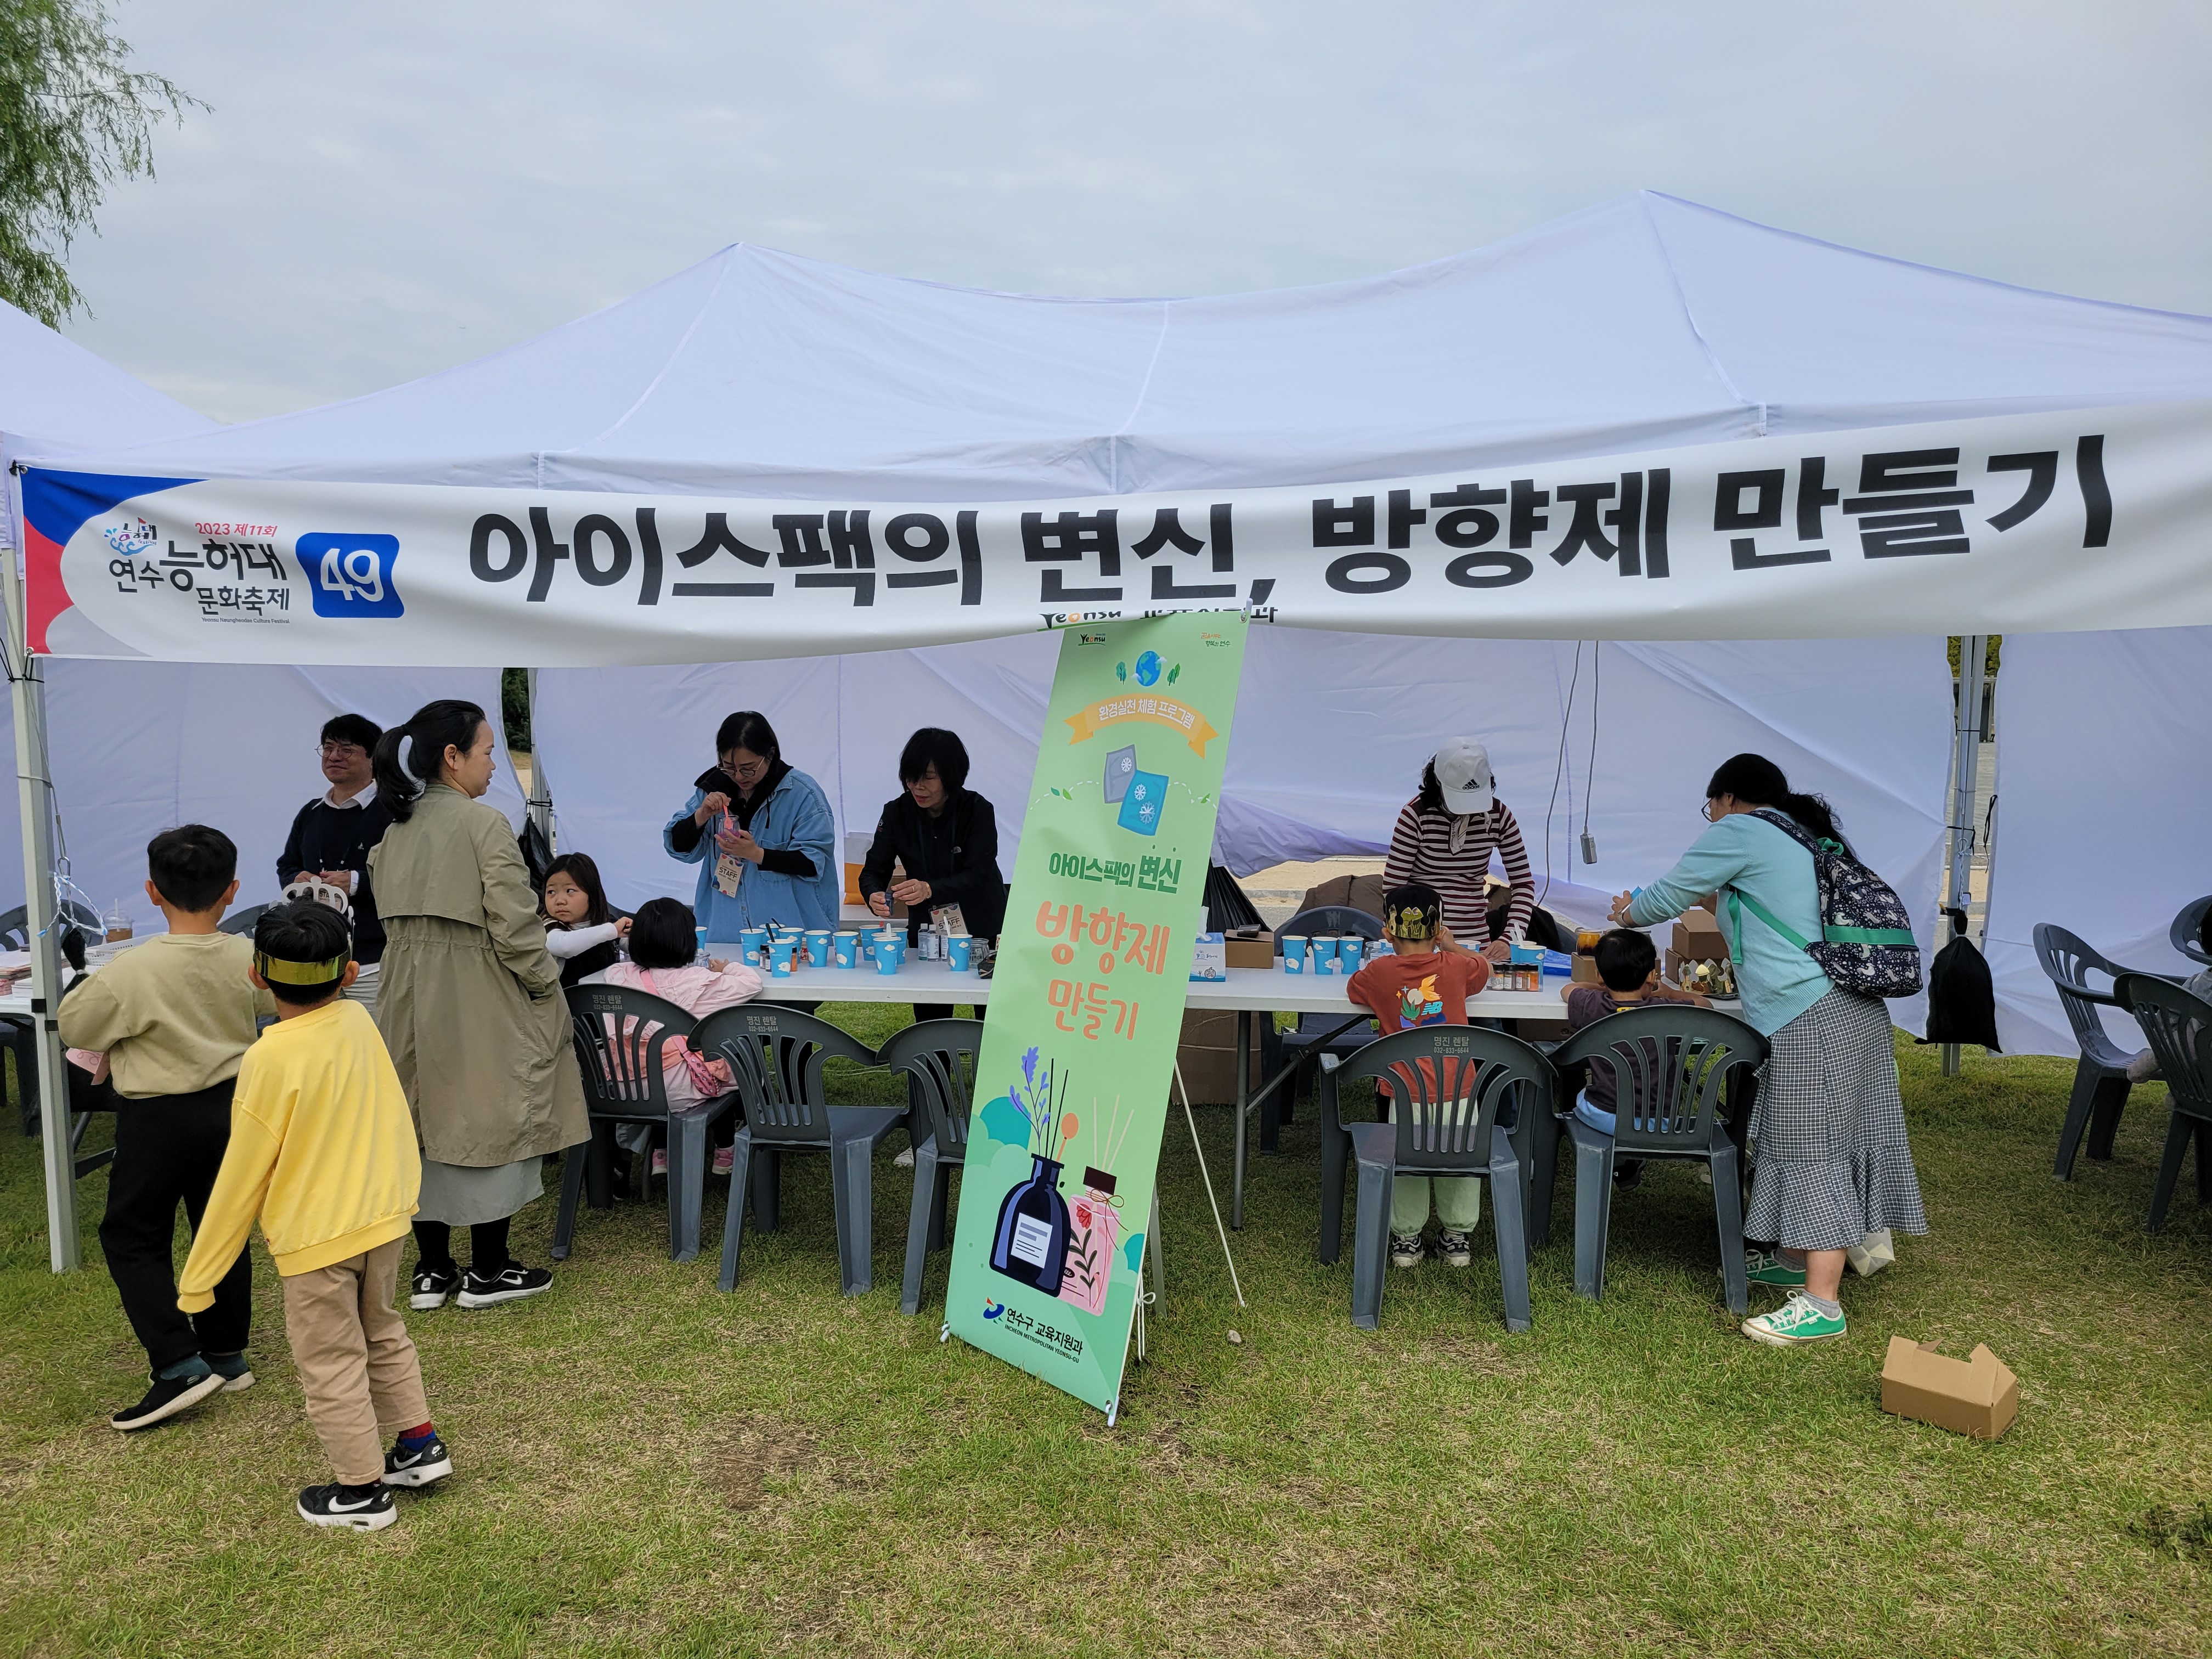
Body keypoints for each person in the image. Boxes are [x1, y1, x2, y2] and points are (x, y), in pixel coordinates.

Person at [1612, 752, 1927, 1348]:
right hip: (1839, 1010)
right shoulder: (1794, 836)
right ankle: (1792, 1259)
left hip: (1813, 1015)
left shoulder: (1742, 831)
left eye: (1710, 806)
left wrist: (1627, 912)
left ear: (1728, 798)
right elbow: (1756, 911)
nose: (1710, 817)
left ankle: (1823, 1304)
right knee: (1794, 1136)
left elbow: (1667, 895)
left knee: (1813, 1147)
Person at [174, 901, 448, 1532]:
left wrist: (199, 1278)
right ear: (350, 973)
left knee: (330, 1360)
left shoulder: (267, 1058)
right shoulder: (358, 1021)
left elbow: (241, 1176)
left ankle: (362, 1491)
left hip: (316, 1238)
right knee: (382, 1330)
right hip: (383, 1220)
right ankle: (418, 1445)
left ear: (256, 975)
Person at [367, 699, 588, 1312]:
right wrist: (544, 985)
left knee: (419, 1119)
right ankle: (490, 1268)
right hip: (474, 989)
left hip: (405, 991)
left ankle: (432, 1270)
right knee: (493, 1113)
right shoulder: (484, 825)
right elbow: (516, 929)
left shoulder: (394, 831)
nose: (494, 765)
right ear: (453, 756)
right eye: (489, 752)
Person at [58, 825, 276, 1430]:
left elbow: (76, 1027)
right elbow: (271, 1003)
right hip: (233, 1108)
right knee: (222, 1227)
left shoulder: (131, 970)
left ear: (153, 893)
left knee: (132, 1235)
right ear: (232, 891)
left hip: (156, 1116)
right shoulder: (248, 956)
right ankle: (226, 1353)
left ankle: (178, 1362)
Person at [1344, 882, 1493, 1269]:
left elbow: (1353, 989)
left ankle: (1406, 1239)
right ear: (1438, 929)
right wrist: (1453, 946)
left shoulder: (1379, 973)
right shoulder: (1457, 967)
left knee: (1405, 1159)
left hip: (1404, 1090)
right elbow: (1485, 969)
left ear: (1388, 931)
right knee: (1459, 1159)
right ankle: (1457, 1237)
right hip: (1459, 1089)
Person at [590, 897, 765, 1176]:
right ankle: (726, 1149)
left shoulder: (618, 975)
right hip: (677, 1090)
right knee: (735, 1060)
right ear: (688, 942)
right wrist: (727, 969)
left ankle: (662, 1151)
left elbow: (619, 969)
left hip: (623, 1088)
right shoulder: (700, 982)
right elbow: (752, 984)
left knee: (667, 1063)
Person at [861, 727, 1007, 1022]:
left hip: (983, 925)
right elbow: (874, 869)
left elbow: (978, 873)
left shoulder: (978, 810)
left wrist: (929, 889)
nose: (917, 786)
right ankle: (932, 1055)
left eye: (928, 777)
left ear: (952, 776)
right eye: (911, 777)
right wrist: (873, 893)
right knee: (930, 1017)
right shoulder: (896, 812)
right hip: (929, 931)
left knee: (990, 1018)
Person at [663, 710, 839, 940]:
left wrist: (757, 854)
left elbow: (813, 863)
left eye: (748, 768)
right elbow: (678, 847)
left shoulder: (803, 795)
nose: (739, 776)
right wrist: (701, 815)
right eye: (729, 767)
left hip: (793, 936)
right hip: (726, 935)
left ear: (770, 755)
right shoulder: (712, 791)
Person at [1563, 928, 1709, 1190]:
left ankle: (1622, 1161)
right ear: (1652, 977)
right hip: (1662, 1122)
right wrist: (1669, 994)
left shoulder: (1593, 1005)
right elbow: (1705, 1006)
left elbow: (1569, 989)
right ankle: (1626, 1162)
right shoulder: (1667, 1010)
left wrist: (1601, 988)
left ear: (1599, 975)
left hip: (1606, 1117)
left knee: (1583, 1097)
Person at [1384, 738, 1532, 964]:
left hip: (1478, 946)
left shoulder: (1499, 816)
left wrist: (1508, 940)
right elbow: (1393, 890)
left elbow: (1523, 884)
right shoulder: (1416, 815)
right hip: (1421, 948)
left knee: (1486, 987)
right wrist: (1417, 941)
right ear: (1438, 783)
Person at [278, 713, 394, 964]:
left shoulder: (394, 812)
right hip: (313, 950)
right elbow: (287, 865)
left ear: (373, 757)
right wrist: (296, 879)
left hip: (376, 956)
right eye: (328, 748)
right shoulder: (311, 812)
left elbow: (412, 875)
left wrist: (358, 883)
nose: (333, 756)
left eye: (347, 750)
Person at [540, 852, 630, 988]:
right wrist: (613, 931)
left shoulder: (608, 922)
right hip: (568, 1000)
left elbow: (635, 946)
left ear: (592, 892)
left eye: (570, 891)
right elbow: (564, 947)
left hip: (609, 997)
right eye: (551, 892)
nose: (560, 901)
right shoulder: (548, 927)